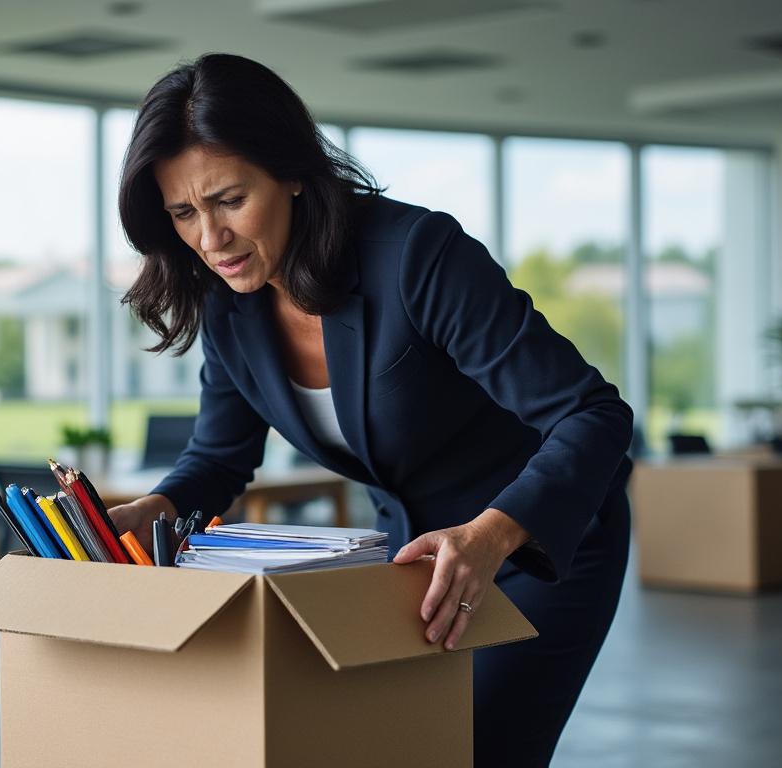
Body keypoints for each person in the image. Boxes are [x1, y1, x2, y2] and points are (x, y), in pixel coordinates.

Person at [107, 52, 633, 767]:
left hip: (529, 546)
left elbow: (592, 414)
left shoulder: (417, 255)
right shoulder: (229, 303)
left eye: (229, 199)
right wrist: (156, 507)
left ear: (292, 171)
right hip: (410, 558)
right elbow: (220, 455)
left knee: (480, 751)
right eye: (182, 213)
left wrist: (489, 536)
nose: (209, 238)